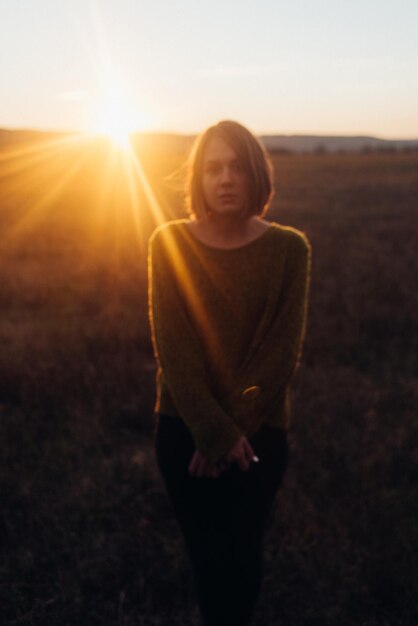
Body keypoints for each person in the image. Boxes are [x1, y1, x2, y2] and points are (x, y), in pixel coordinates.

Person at [148, 120, 311, 626]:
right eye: (213, 168)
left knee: (242, 561)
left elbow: (281, 354)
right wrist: (211, 431)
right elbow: (174, 352)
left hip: (259, 433)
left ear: (256, 175)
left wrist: (229, 432)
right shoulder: (168, 242)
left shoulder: (289, 249)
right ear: (197, 178)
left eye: (237, 167)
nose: (225, 179)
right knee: (207, 561)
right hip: (183, 433)